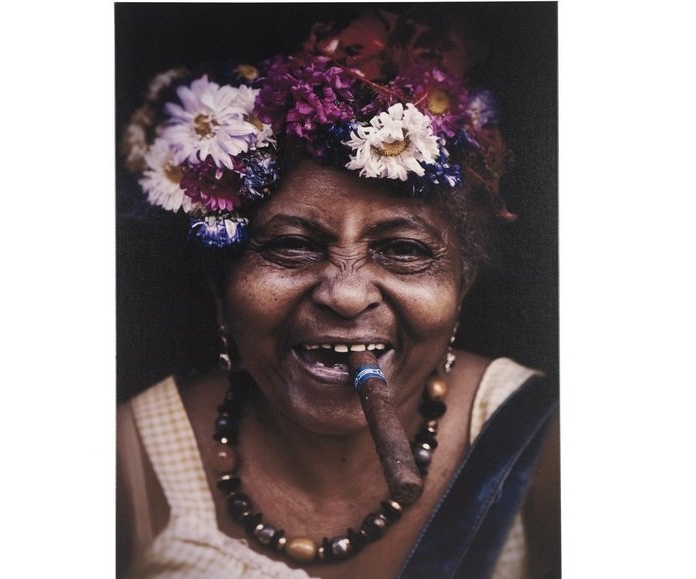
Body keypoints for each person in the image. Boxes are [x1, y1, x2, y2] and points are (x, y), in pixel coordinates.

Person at [116, 6, 559, 579]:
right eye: (292, 246)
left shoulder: (543, 445)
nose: (347, 297)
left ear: (462, 283)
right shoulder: (128, 464)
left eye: (403, 250)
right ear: (220, 283)